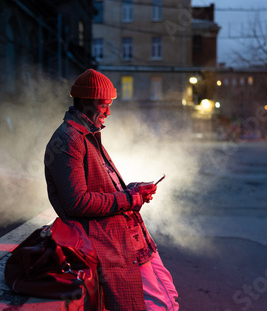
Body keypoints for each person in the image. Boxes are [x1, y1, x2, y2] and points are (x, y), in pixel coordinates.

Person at [44, 69, 179, 310]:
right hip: (111, 245)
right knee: (161, 305)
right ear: (86, 102)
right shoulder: (68, 140)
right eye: (104, 105)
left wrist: (134, 190)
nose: (108, 111)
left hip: (131, 241)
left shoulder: (87, 134)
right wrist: (129, 198)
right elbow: (77, 202)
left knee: (167, 297)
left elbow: (102, 188)